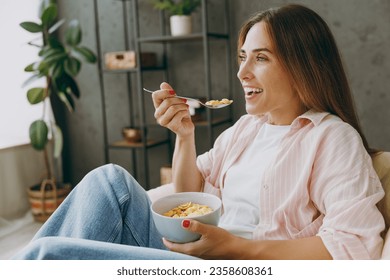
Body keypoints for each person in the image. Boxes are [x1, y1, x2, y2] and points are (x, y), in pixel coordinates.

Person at [13, 4, 385, 260]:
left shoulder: (331, 138)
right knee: (110, 181)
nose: (242, 73)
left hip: (232, 265)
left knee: (51, 256)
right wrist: (184, 136)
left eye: (261, 57)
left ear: (303, 66)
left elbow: (354, 243)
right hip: (193, 250)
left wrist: (235, 248)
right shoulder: (246, 130)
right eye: (243, 57)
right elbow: (187, 195)